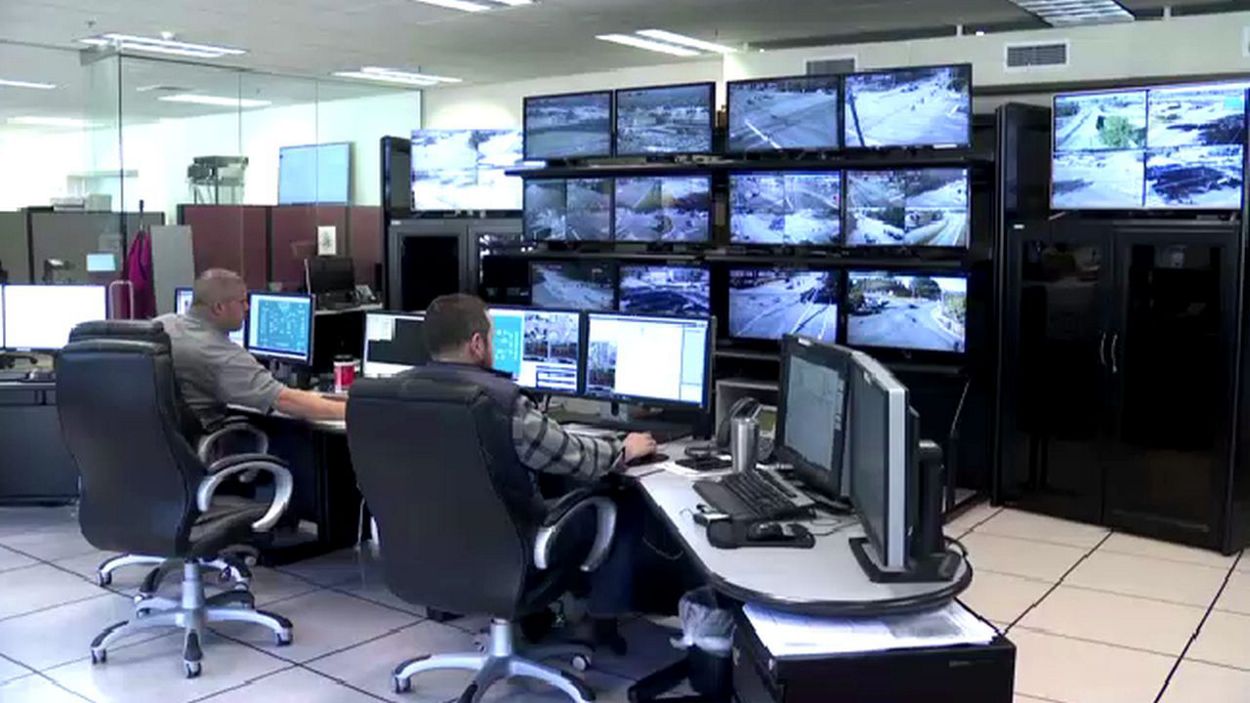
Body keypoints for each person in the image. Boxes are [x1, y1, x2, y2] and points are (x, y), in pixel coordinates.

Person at [406, 293, 657, 645]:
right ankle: (600, 622)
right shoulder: (499, 404)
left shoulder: (397, 394)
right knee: (619, 497)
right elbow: (576, 457)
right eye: (493, 337)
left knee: (545, 485)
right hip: (509, 555)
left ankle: (538, 618)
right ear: (477, 344)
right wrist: (624, 449)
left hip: (428, 550)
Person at [157, 269, 346, 428]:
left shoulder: (160, 326)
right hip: (204, 444)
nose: (247, 307)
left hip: (159, 447)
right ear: (219, 308)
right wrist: (352, 411)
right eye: (242, 301)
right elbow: (285, 400)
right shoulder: (222, 355)